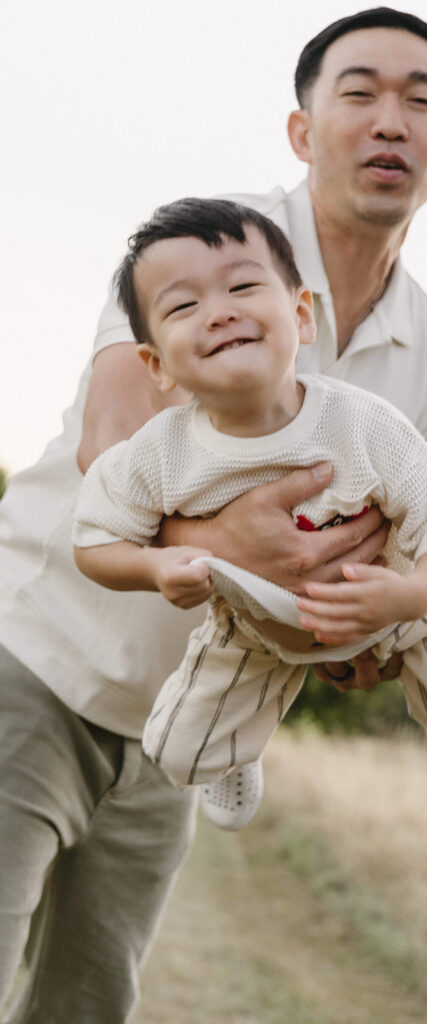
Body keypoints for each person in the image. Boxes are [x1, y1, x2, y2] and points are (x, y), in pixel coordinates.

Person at [0, 8, 427, 1024]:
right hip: (35, 652)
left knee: (84, 1005)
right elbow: (109, 441)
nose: (391, 122)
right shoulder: (201, 245)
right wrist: (225, 552)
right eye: (360, 92)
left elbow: (382, 547)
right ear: (301, 128)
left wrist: (358, 629)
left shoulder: (416, 347)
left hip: (182, 724)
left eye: (419, 102)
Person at [73, 197, 427, 829]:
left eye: (241, 286)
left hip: (396, 607)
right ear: (155, 365)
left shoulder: (366, 425)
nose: (221, 311)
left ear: (300, 315)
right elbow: (95, 540)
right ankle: (240, 743)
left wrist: (402, 602)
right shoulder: (162, 451)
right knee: (174, 752)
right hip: (253, 629)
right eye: (184, 306)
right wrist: (152, 567)